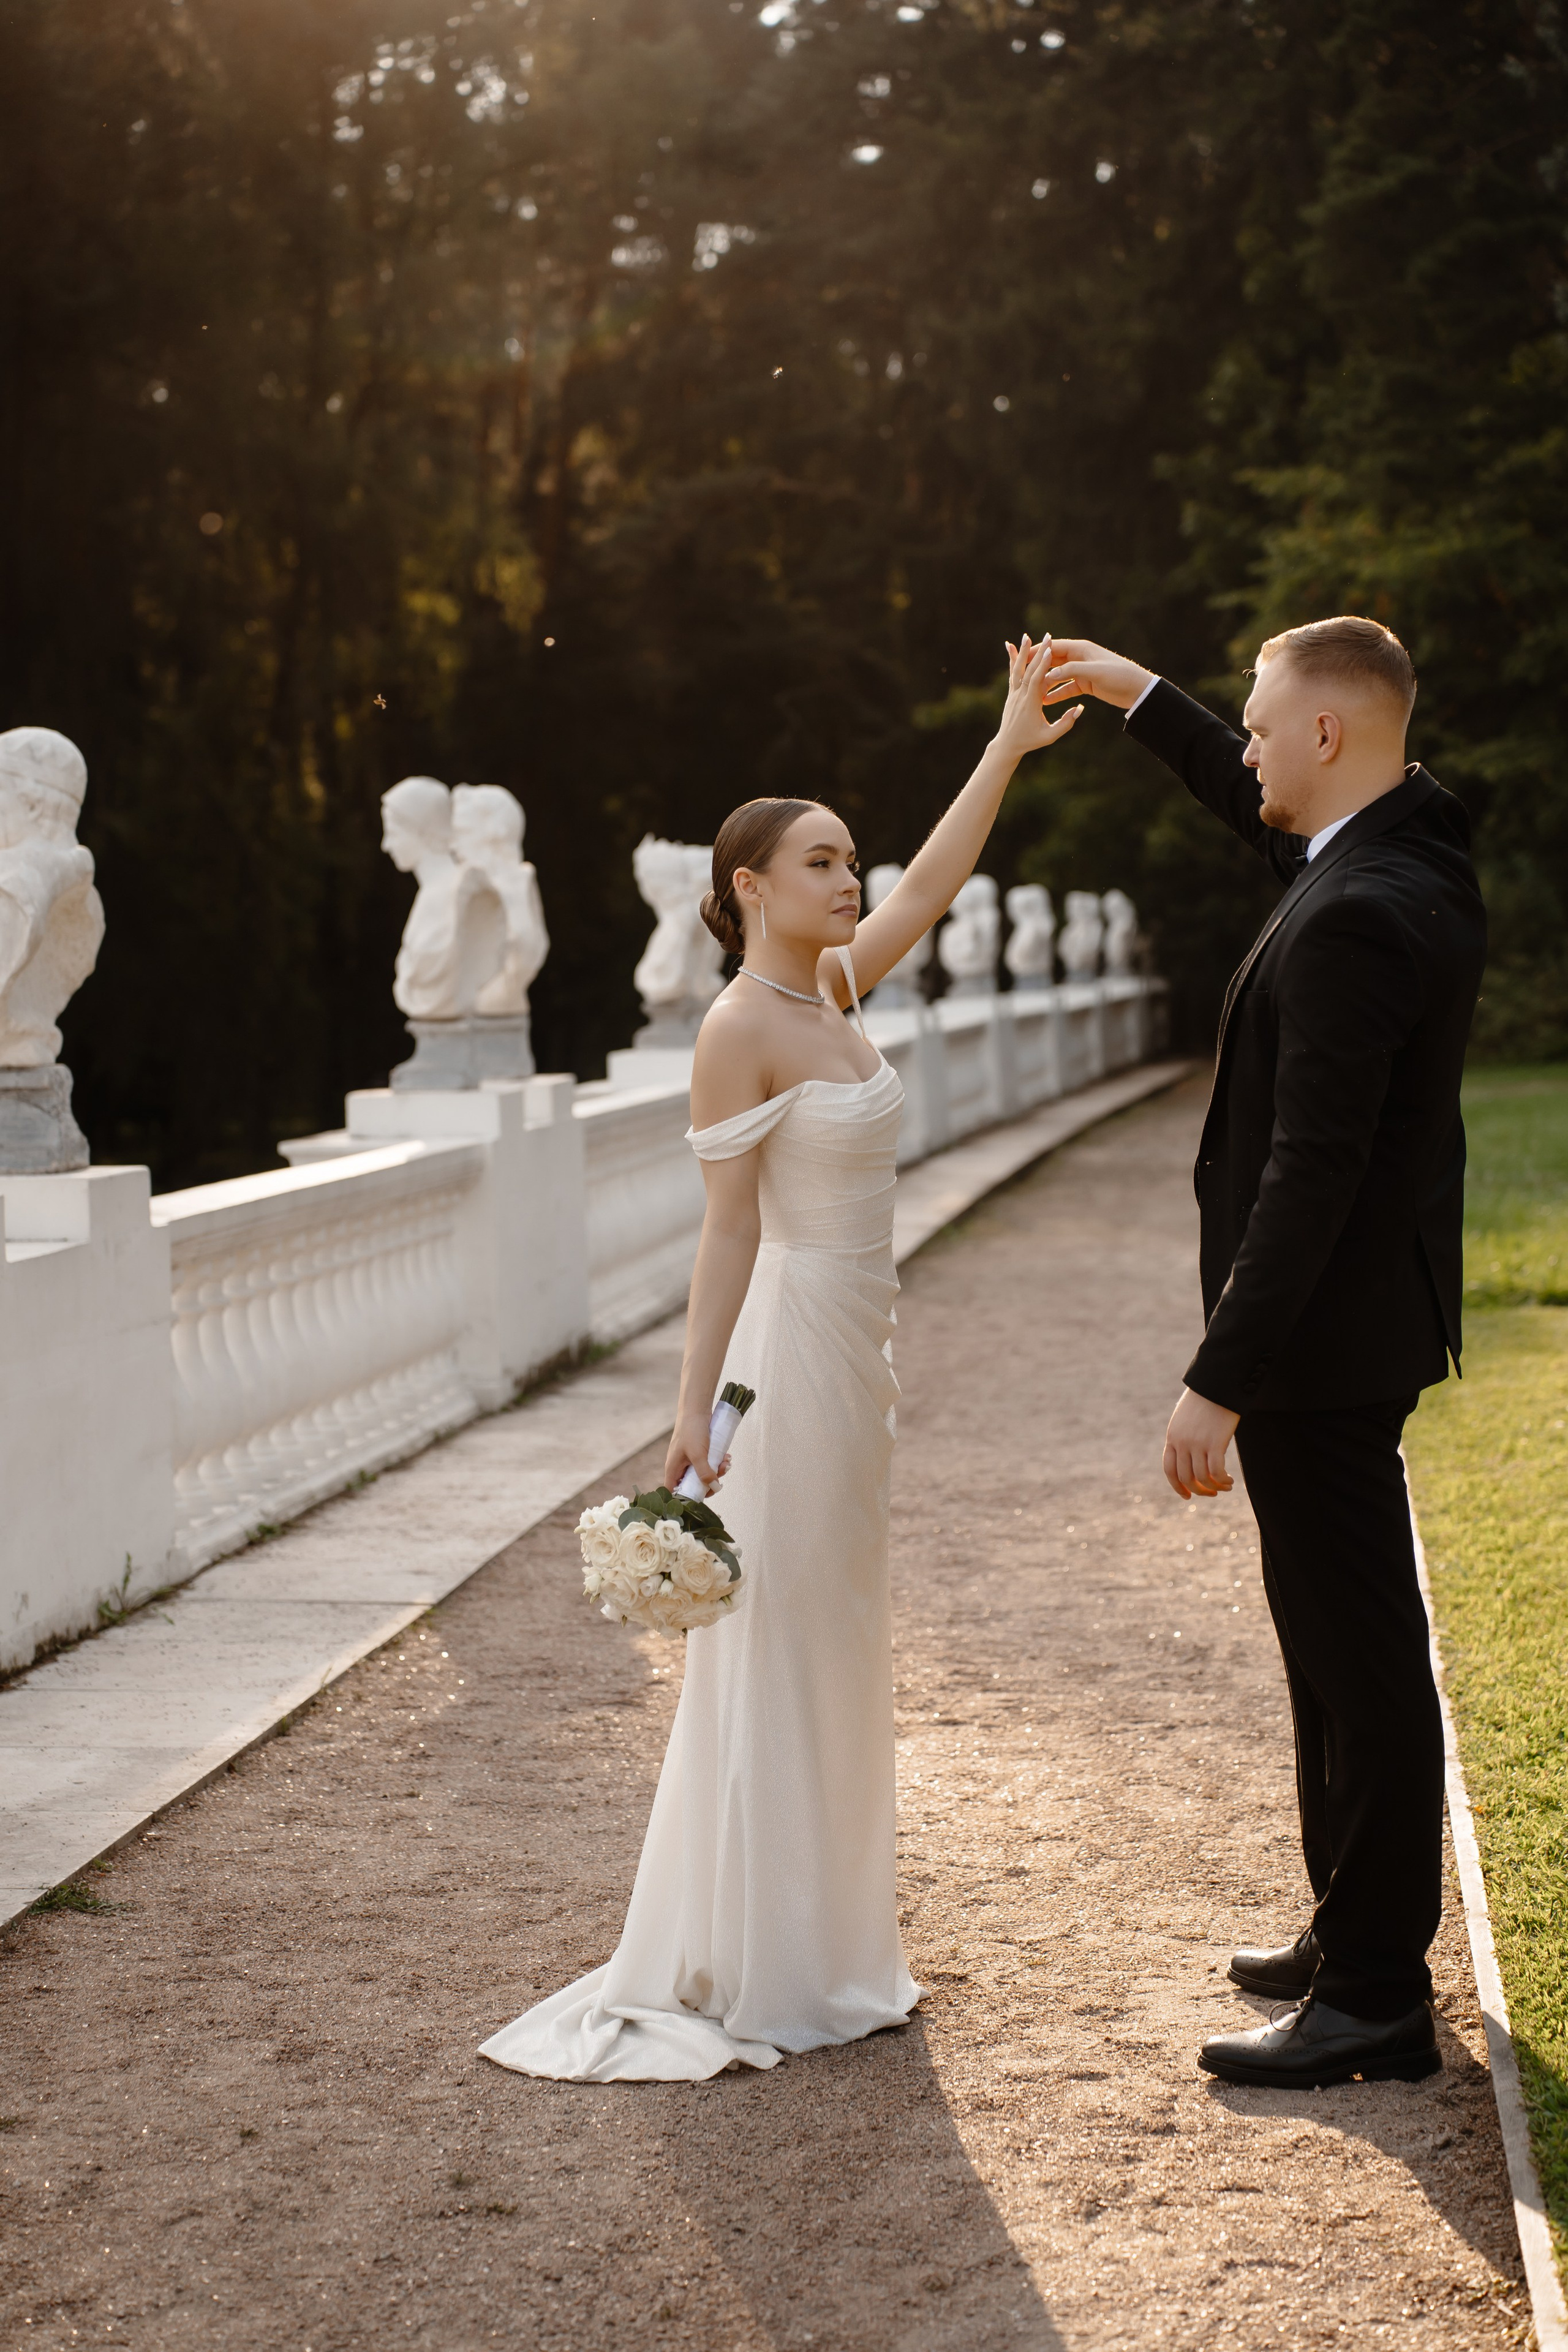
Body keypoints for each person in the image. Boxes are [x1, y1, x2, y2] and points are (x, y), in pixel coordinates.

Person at [479, 640, 1083, 2081]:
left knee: (840, 1625)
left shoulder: (837, 996)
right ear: (748, 884)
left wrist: (1005, 740)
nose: (849, 880)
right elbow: (726, 1237)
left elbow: (934, 883)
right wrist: (690, 1411)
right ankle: (766, 1958)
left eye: (848, 861)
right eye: (821, 863)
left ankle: (826, 1939)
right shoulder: (742, 1027)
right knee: (790, 1629)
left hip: (856, 1346)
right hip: (789, 1350)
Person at [1043, 618, 1485, 2089]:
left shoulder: (1362, 905)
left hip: (1318, 1346)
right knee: (1327, 1651)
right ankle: (1349, 1925)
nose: (1239, 747)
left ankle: (1373, 1997)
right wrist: (1129, 697)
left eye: (1251, 722)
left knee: (1357, 1663)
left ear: (1322, 737)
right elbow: (1254, 813)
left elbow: (1314, 1170)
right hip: (1345, 1335)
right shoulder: (1376, 857)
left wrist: (1216, 1375)